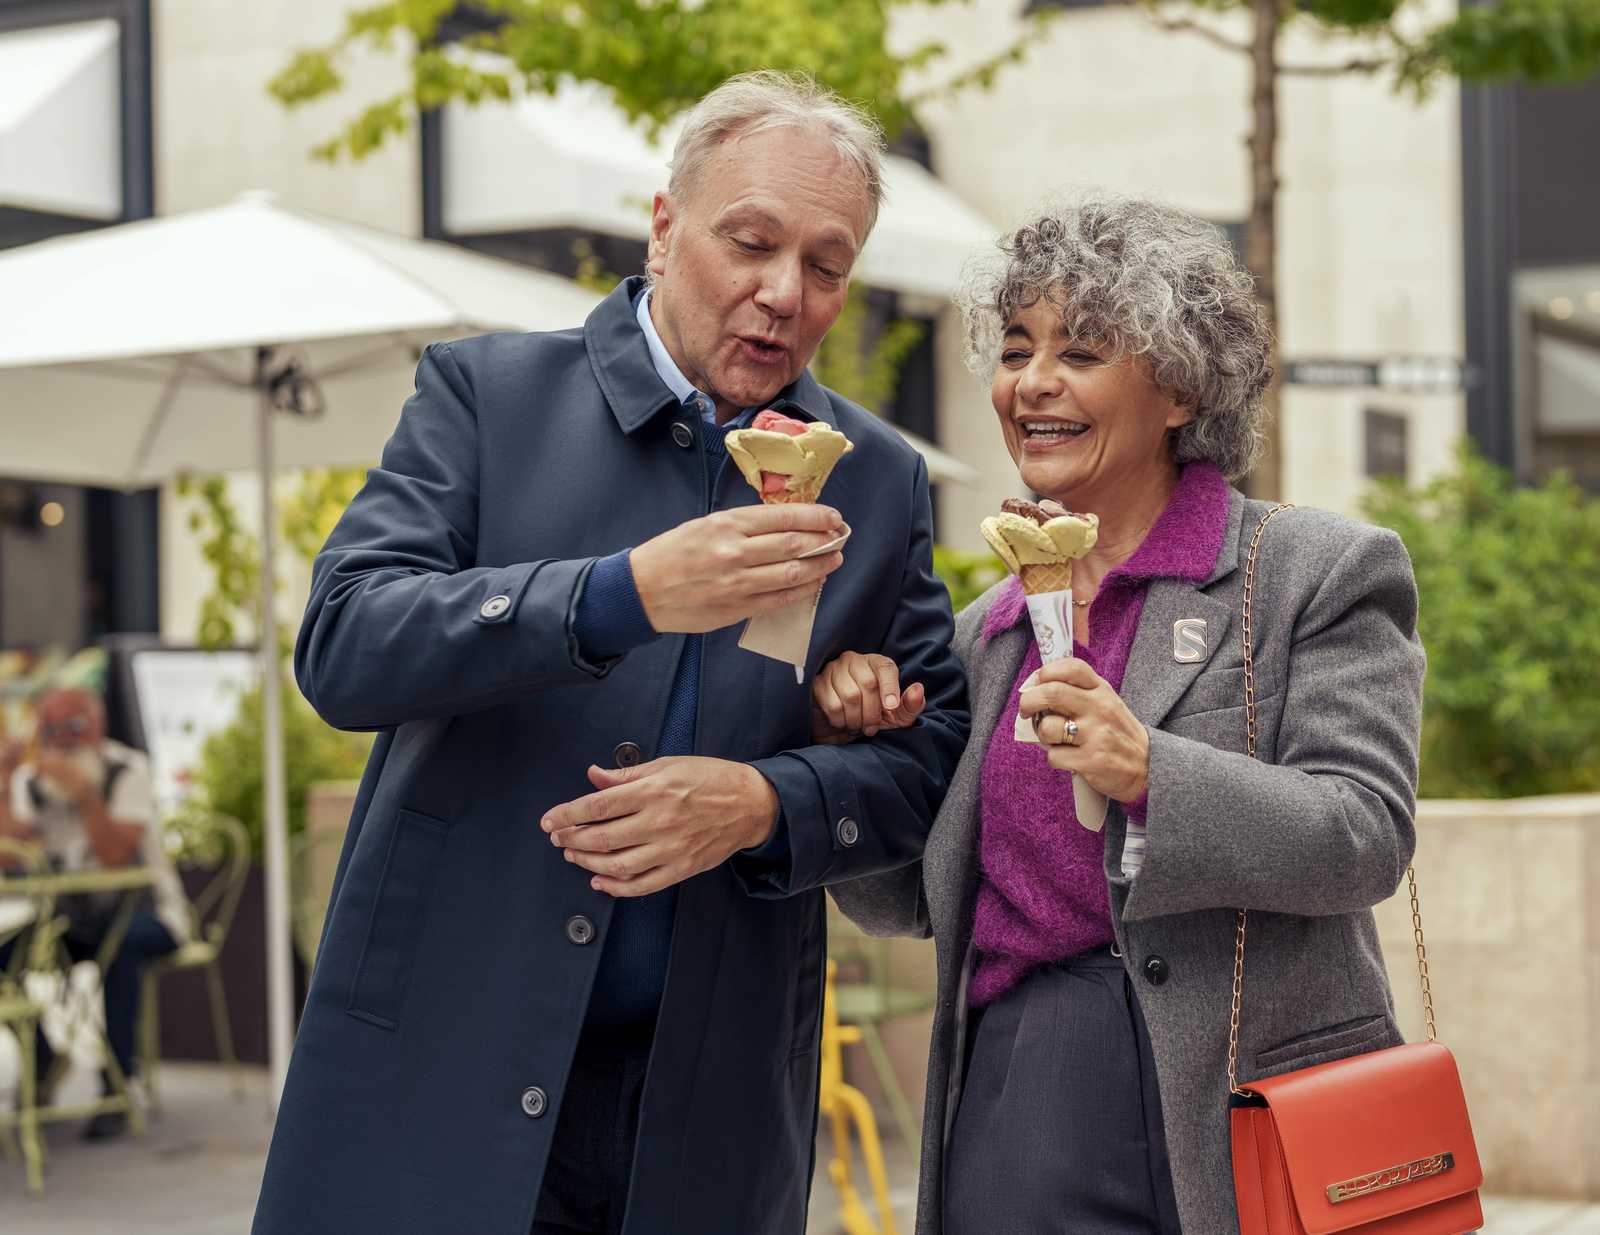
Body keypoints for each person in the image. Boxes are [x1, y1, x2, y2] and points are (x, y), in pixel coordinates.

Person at [251, 71, 969, 1235]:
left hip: (709, 1101)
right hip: (438, 1069)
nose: (784, 293)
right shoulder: (483, 394)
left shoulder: (878, 477)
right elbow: (342, 645)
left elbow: (931, 762)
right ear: (664, 222)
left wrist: (762, 800)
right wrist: (614, 595)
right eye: (750, 242)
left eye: (827, 266)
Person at [821, 196, 1426, 1235]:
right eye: (1016, 349)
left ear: (1180, 386)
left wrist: (1152, 768)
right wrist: (849, 752)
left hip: (1256, 1100)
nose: (1034, 382)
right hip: (1024, 1098)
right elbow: (900, 903)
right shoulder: (981, 634)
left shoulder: (1311, 572)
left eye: (1083, 349)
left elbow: (1363, 836)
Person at [0, 687, 187, 1140]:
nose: (63, 739)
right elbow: (12, 855)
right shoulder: (32, 780)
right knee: (6, 956)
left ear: (97, 726)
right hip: (68, 918)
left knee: (119, 948)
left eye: (73, 727)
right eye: (52, 729)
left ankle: (119, 1083)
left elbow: (115, 856)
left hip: (147, 912)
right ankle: (43, 1059)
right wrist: (6, 779)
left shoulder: (128, 768)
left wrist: (85, 795)